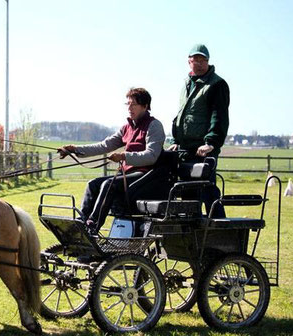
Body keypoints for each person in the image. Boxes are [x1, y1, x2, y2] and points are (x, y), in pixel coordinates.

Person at [58, 87, 165, 234]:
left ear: (145, 106)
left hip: (146, 176)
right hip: (128, 175)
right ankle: (81, 223)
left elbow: (151, 156)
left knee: (109, 184)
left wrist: (124, 156)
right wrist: (74, 149)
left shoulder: (154, 126)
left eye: (133, 104)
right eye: (127, 104)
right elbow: (104, 145)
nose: (129, 108)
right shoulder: (127, 128)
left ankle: (92, 226)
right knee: (93, 184)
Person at [169, 44, 230, 218]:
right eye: (196, 60)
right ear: (189, 62)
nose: (200, 63)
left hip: (203, 150)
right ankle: (190, 235)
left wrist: (211, 143)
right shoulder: (187, 84)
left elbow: (219, 117)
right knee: (187, 192)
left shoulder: (217, 85)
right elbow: (183, 115)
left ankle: (221, 229)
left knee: (207, 189)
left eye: (204, 60)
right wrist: (175, 141)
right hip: (185, 149)